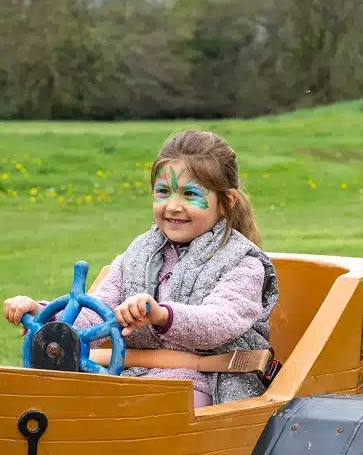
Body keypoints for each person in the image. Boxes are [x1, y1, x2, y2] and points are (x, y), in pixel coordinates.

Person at [3, 129, 279, 406]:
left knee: (152, 411)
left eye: (190, 194)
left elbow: (218, 321)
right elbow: (98, 312)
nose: (173, 206)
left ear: (225, 203)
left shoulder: (243, 263)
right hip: (135, 374)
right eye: (163, 192)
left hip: (211, 380)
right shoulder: (138, 254)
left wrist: (162, 315)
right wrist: (47, 314)